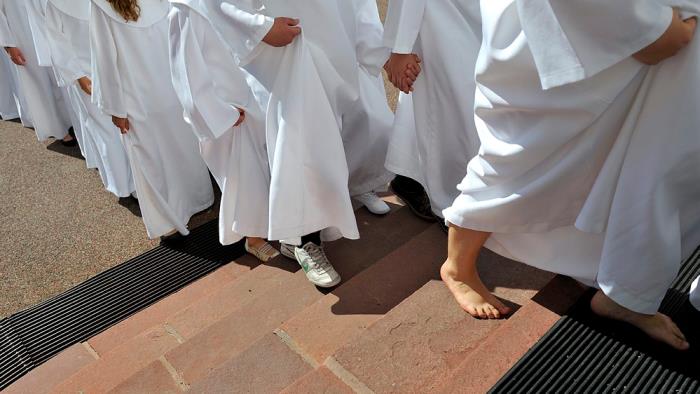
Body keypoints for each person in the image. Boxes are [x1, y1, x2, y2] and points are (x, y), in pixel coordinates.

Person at [441, 0, 700, 351]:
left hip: (637, 29)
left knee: (646, 154)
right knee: (519, 155)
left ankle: (621, 289)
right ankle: (457, 267)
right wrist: (647, 26)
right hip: (568, 26)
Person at [90, 0, 215, 241]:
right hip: (166, 88)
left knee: (158, 157)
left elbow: (104, 57)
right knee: (164, 154)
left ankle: (173, 217)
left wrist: (115, 106)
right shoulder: (101, 5)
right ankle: (189, 207)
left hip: (146, 96)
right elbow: (105, 56)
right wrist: (117, 108)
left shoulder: (101, 5)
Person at [168, 0, 279, 262]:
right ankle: (253, 237)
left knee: (267, 163)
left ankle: (277, 224)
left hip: (253, 93)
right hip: (229, 111)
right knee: (243, 177)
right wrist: (222, 113)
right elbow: (186, 77)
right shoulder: (184, 10)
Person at [383, 0, 482, 224]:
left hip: (478, 13)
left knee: (439, 98)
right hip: (443, 17)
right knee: (455, 101)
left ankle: (410, 177)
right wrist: (400, 47)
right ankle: (450, 201)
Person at [44, 0, 135, 198]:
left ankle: (140, 181)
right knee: (106, 131)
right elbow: (56, 40)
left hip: (118, 68)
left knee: (129, 126)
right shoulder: (56, 4)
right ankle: (124, 185)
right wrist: (78, 75)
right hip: (87, 72)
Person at [0, 0, 74, 144]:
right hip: (22, 32)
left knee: (64, 77)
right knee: (40, 84)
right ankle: (59, 130)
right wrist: (8, 45)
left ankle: (73, 122)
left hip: (48, 22)